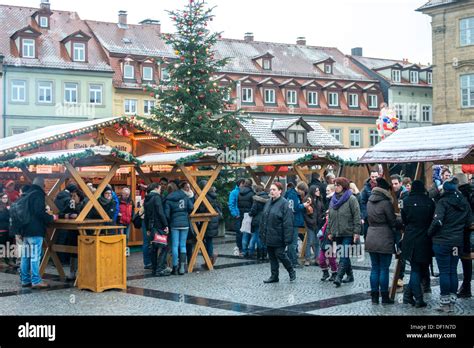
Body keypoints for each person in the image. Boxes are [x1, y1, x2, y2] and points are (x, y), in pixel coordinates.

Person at [428, 177, 471, 313]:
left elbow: (437, 221)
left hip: (442, 242)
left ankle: (445, 304)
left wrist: (429, 233)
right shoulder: (464, 202)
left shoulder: (443, 202)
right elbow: (469, 221)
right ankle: (452, 302)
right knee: (453, 270)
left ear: (445, 190)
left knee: (445, 271)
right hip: (456, 243)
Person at [400, 180, 435, 308]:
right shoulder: (429, 202)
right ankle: (415, 297)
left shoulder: (406, 202)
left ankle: (413, 297)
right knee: (420, 268)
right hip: (425, 238)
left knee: (415, 269)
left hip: (410, 237)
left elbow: (404, 220)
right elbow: (433, 219)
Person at [18, 177, 55, 289]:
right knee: (34, 256)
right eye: (44, 185)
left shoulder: (26, 194)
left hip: (26, 230)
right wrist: (50, 217)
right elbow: (39, 212)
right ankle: (36, 280)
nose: (44, 187)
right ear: (41, 185)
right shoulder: (38, 194)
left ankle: (25, 280)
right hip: (35, 230)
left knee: (25, 257)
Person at [365, 178, 397, 305]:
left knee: (375, 268)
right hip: (384, 237)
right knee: (384, 269)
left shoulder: (369, 201)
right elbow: (392, 221)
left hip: (371, 236)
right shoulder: (386, 203)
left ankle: (374, 297)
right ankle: (384, 296)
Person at [327, 177, 361, 288]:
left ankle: (339, 277)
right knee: (344, 254)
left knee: (344, 254)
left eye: (338, 185)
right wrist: (330, 231)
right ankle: (350, 275)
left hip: (348, 232)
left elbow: (357, 216)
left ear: (343, 186)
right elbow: (330, 217)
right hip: (337, 232)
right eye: (335, 185)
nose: (335, 187)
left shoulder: (351, 199)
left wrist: (356, 232)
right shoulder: (333, 200)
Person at [260, 182, 295, 283]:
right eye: (270, 189)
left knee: (280, 254)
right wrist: (262, 233)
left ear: (280, 191)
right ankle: (274, 276)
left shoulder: (285, 204)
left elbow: (288, 223)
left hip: (279, 236)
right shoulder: (268, 202)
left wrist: (287, 239)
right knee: (271, 256)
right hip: (269, 235)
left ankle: (291, 270)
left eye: (274, 189)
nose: (272, 191)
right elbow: (264, 219)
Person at [165, 182, 193, 275]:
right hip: (185, 223)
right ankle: (182, 268)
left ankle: (175, 267)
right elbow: (191, 207)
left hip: (174, 225)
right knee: (183, 246)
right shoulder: (185, 196)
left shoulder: (169, 199)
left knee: (174, 246)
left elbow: (167, 214)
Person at [144, 183, 170, 277]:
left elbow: (146, 215)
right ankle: (160, 268)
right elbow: (160, 211)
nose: (160, 190)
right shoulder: (156, 197)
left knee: (154, 248)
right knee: (164, 246)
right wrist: (165, 225)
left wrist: (147, 228)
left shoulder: (147, 198)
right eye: (159, 188)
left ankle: (154, 269)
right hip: (158, 226)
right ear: (156, 188)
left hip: (151, 226)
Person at [455, 173, 474, 298]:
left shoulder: (460, 196)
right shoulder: (471, 192)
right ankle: (466, 286)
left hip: (466, 233)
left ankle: (466, 286)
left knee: (466, 259)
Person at [197, 182, 222, 268]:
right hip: (214, 220)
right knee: (208, 240)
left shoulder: (205, 196)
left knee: (203, 240)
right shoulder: (213, 195)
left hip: (207, 221)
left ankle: (210, 258)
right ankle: (209, 259)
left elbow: (202, 209)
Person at [391, 174, 408, 287]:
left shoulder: (405, 195)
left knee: (401, 252)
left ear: (401, 183)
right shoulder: (388, 194)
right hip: (391, 227)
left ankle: (400, 276)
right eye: (392, 184)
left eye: (396, 183)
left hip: (401, 228)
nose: (394, 186)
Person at [285, 182, 306, 268]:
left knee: (291, 242)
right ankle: (293, 262)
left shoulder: (289, 193)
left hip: (290, 220)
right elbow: (295, 208)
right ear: (300, 189)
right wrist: (303, 205)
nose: (303, 193)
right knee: (293, 243)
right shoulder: (294, 195)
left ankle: (290, 261)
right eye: (303, 191)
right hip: (294, 221)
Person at [303, 185, 324, 266]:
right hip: (310, 224)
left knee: (317, 242)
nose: (318, 192)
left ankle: (317, 258)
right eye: (316, 191)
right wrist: (310, 221)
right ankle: (307, 259)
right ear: (312, 191)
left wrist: (321, 217)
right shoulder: (308, 199)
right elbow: (304, 213)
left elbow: (322, 210)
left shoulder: (319, 199)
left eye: (318, 190)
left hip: (318, 224)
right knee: (310, 241)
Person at [249, 185, 270, 261]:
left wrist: (250, 214)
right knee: (265, 237)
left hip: (257, 220)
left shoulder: (256, 199)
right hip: (267, 220)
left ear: (257, 191)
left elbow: (253, 210)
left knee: (258, 237)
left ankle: (260, 255)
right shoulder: (269, 198)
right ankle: (265, 254)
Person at [360, 171, 380, 240]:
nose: (374, 178)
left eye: (376, 177)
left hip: (379, 213)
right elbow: (362, 202)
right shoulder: (366, 188)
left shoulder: (382, 186)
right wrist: (365, 214)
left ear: (379, 176)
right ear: (370, 177)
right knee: (367, 233)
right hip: (369, 214)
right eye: (372, 177)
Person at [319, 212, 338, 281]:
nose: (327, 216)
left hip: (331, 245)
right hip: (323, 244)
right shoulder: (324, 223)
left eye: (328, 215)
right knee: (321, 260)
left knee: (332, 260)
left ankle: (334, 273)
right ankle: (325, 273)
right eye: (326, 215)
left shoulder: (334, 224)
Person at [238, 179, 255, 257]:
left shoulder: (240, 192)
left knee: (245, 233)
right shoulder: (252, 193)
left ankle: (244, 250)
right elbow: (254, 205)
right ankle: (251, 250)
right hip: (250, 214)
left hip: (242, 214)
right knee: (252, 233)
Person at [228, 179, 245, 254]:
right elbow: (231, 204)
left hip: (244, 214)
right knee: (239, 232)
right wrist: (235, 214)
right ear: (240, 184)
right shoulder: (234, 192)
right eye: (242, 184)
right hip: (238, 215)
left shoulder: (243, 191)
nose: (243, 185)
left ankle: (243, 247)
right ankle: (239, 247)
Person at [0, 194, 14, 267]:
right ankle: (2, 261)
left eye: (6, 197)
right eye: (3, 198)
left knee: (9, 245)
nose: (5, 199)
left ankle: (8, 260)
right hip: (2, 229)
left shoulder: (11, 206)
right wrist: (7, 210)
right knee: (2, 246)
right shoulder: (2, 208)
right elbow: (2, 217)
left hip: (10, 229)